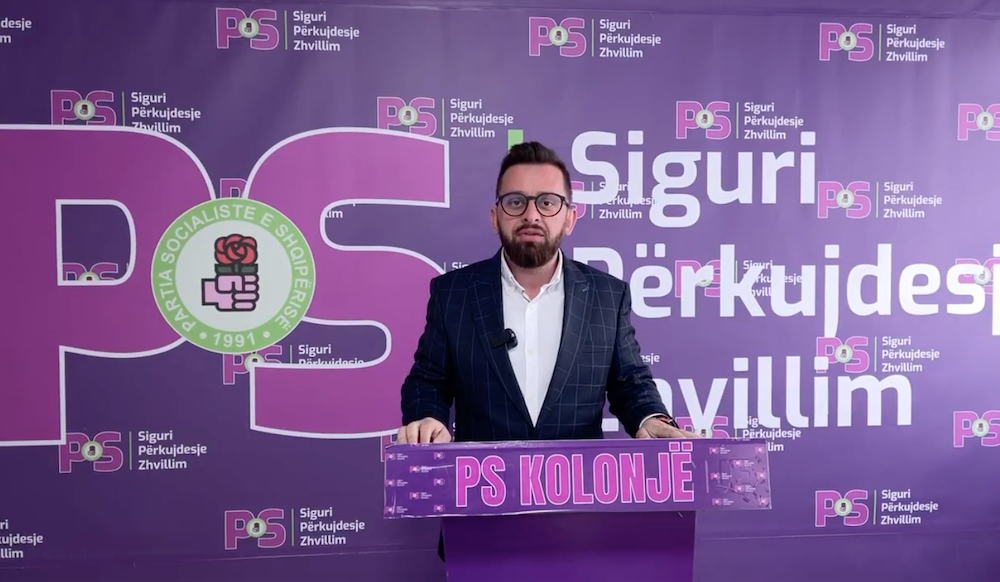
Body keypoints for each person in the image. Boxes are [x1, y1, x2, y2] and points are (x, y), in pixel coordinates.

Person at [398, 142, 696, 561]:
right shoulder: (454, 293)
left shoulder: (607, 296)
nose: (532, 215)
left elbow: (630, 381)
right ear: (496, 215)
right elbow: (428, 379)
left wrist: (652, 419)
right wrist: (427, 418)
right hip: (480, 516)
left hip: (580, 519)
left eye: (548, 202)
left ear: (570, 217)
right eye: (516, 201)